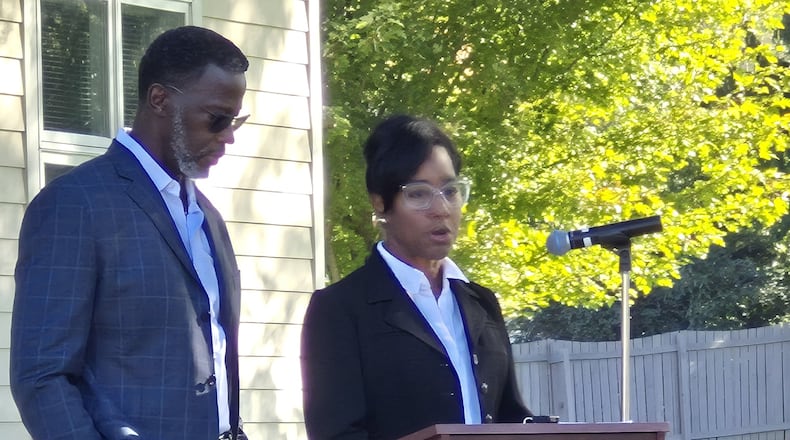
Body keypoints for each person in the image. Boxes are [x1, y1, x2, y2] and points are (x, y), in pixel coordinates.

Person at [10, 26, 249, 440]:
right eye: (217, 119)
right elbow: (41, 376)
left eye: (236, 122)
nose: (227, 136)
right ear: (160, 100)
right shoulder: (75, 205)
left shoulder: (208, 217)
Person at [301, 115, 533, 439]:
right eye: (419, 194)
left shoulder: (482, 302)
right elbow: (337, 433)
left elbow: (512, 415)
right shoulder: (341, 308)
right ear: (381, 205)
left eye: (450, 191)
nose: (441, 209)